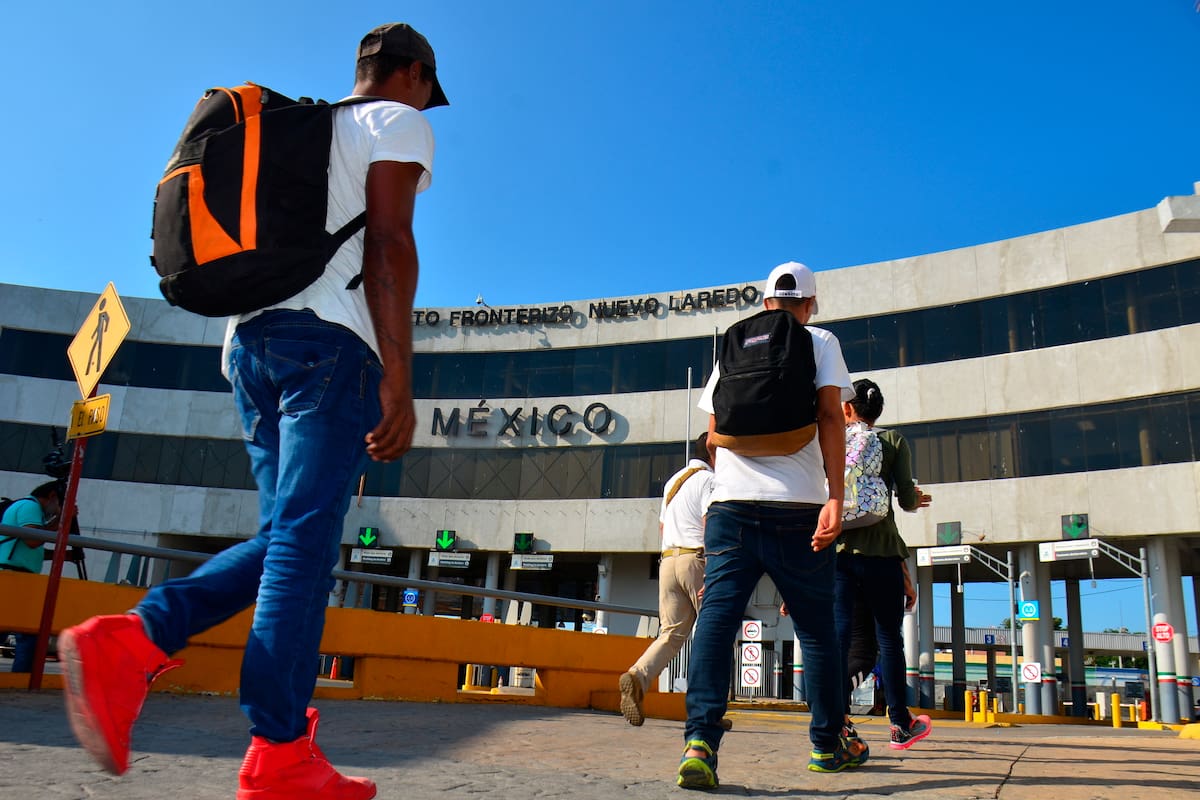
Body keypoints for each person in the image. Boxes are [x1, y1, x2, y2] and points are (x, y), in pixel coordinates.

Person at [58, 22, 448, 800]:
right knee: (303, 544)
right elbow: (389, 242)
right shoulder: (394, 123)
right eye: (426, 91)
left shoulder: (302, 132)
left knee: (285, 538)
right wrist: (400, 378)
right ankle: (274, 745)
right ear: (408, 74)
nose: (426, 106)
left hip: (248, 348)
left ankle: (139, 645)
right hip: (330, 348)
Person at [677, 262, 856, 791]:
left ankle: (700, 743)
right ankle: (826, 745)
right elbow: (831, 417)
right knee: (816, 631)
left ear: (765, 303)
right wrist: (836, 497)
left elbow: (713, 433)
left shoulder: (733, 345)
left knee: (716, 621)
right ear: (811, 304)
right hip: (799, 507)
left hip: (730, 508)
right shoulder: (820, 341)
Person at [834, 378, 934, 750]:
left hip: (839, 555)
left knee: (841, 639)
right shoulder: (892, 441)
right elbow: (905, 500)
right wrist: (915, 498)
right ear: (879, 412)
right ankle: (900, 724)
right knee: (889, 640)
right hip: (883, 557)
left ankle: (836, 720)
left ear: (847, 408)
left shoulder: (832, 440)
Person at [619, 432, 714, 726]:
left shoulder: (674, 482)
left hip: (668, 560)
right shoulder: (709, 480)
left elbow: (662, 527)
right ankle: (708, 710)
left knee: (670, 634)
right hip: (696, 560)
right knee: (715, 632)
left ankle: (637, 676)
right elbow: (710, 523)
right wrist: (714, 568)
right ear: (713, 452)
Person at [1, 481, 60, 672]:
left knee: (23, 633)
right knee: (26, 635)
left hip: (18, 575)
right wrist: (60, 521)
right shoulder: (30, 506)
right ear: (52, 496)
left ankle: (22, 678)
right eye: (59, 505)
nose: (57, 510)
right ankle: (22, 678)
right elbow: (33, 539)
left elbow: (30, 548)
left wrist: (63, 555)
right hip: (14, 575)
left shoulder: (27, 507)